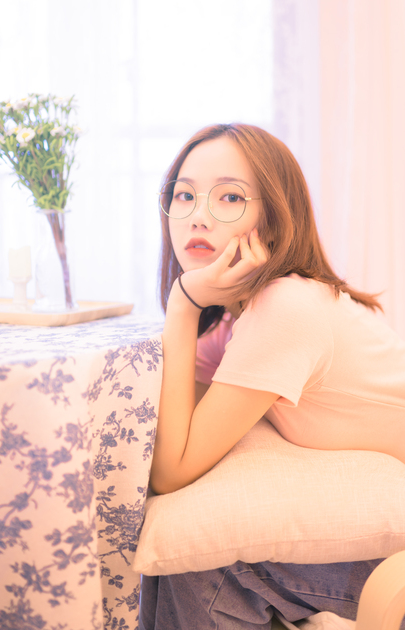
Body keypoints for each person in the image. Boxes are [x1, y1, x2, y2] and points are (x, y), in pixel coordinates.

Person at [139, 123, 405, 629]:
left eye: (230, 197)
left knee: (199, 561)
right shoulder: (236, 322)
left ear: (276, 222)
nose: (199, 215)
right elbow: (178, 420)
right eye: (184, 195)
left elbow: (171, 472)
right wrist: (192, 309)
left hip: (396, 561)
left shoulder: (288, 305)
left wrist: (183, 304)